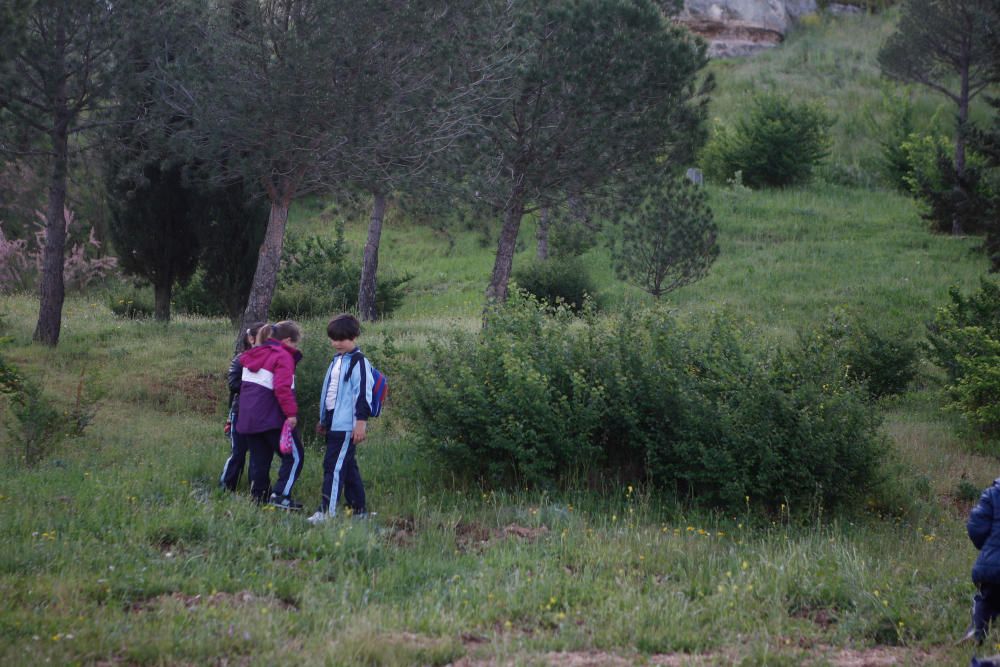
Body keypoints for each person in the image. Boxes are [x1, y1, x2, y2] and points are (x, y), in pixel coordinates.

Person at [307, 314, 372, 524]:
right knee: (348, 465)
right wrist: (324, 419)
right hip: (333, 421)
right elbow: (330, 393)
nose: (336, 343)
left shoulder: (359, 362)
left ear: (354, 337)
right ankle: (358, 509)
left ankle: (326, 512)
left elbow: (363, 394)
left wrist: (360, 424)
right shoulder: (336, 360)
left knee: (333, 466)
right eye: (333, 339)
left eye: (341, 339)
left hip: (347, 424)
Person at [237, 320, 305, 509]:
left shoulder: (252, 354)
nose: (295, 348)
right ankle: (281, 495)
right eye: (295, 344)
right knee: (295, 456)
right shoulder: (282, 356)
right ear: (287, 340)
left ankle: (259, 497)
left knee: (260, 459)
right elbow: (282, 388)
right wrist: (291, 414)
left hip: (249, 418)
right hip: (271, 417)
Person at [219, 322, 264, 492]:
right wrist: (257, 388)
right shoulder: (240, 359)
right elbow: (233, 384)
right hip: (240, 412)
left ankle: (256, 490)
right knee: (238, 452)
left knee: (258, 455)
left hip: (261, 414)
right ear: (251, 339)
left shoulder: (273, 359)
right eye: (262, 335)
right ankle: (225, 488)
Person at [964, 477, 1000, 644]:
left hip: (991, 568)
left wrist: (987, 548)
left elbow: (976, 527)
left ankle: (976, 632)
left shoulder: (993, 494)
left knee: (987, 601)